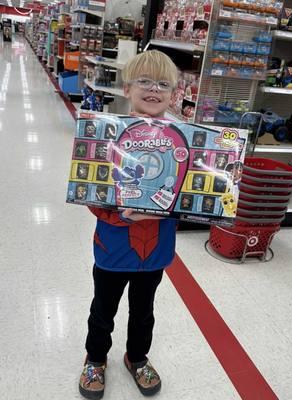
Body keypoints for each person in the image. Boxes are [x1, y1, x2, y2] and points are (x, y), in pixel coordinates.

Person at [79, 50, 179, 399]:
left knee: (144, 311)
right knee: (103, 308)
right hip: (113, 246)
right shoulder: (107, 136)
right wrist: (121, 214)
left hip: (155, 250)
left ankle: (137, 357)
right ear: (126, 88)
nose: (154, 89)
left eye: (163, 84)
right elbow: (90, 191)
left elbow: (192, 196)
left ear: (174, 94)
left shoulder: (184, 141)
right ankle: (95, 358)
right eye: (144, 81)